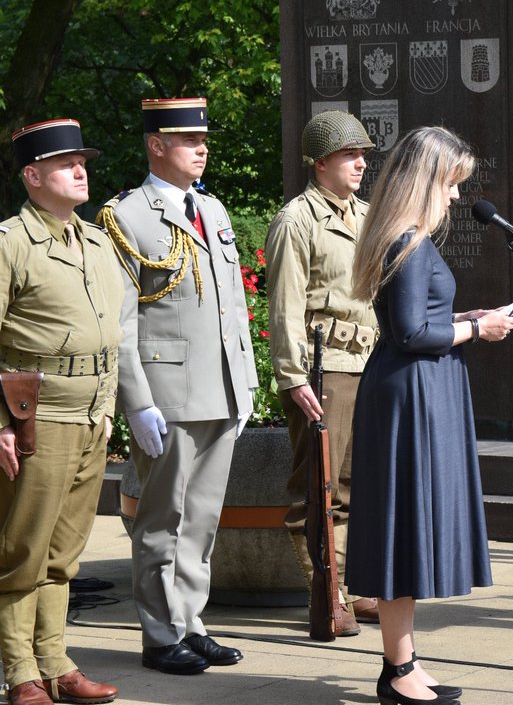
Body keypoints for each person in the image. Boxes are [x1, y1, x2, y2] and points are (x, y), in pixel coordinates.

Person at [345, 126, 513, 705]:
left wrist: (461, 315)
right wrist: (478, 328)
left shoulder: (404, 238)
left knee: (408, 528)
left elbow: (415, 319)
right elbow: (413, 333)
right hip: (411, 393)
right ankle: (397, 672)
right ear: (425, 182)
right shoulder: (409, 241)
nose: (453, 197)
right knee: (404, 529)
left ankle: (406, 664)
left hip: (415, 387)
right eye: (449, 185)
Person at [100, 97, 257, 674]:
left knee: (202, 518)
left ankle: (190, 622)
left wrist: (246, 380)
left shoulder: (210, 211)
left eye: (204, 139)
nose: (202, 149)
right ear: (156, 145)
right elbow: (121, 322)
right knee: (161, 519)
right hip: (167, 396)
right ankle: (160, 634)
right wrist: (136, 404)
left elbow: (233, 307)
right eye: (189, 141)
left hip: (219, 387)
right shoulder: (127, 217)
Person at [0, 120, 122, 705]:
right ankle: (20, 671)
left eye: (83, 161)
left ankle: (55, 661)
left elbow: (111, 337)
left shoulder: (96, 241)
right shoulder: (9, 244)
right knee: (22, 552)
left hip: (90, 418)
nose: (82, 172)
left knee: (63, 555)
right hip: (34, 422)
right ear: (33, 176)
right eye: (67, 163)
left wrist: (108, 408)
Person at [265, 110, 379, 635]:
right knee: (318, 486)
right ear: (321, 163)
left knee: (354, 485)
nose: (360, 164)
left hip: (364, 363)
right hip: (321, 368)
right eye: (350, 155)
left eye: (362, 155)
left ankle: (353, 589)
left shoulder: (366, 214)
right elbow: (284, 306)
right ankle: (325, 591)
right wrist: (293, 378)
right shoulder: (297, 220)